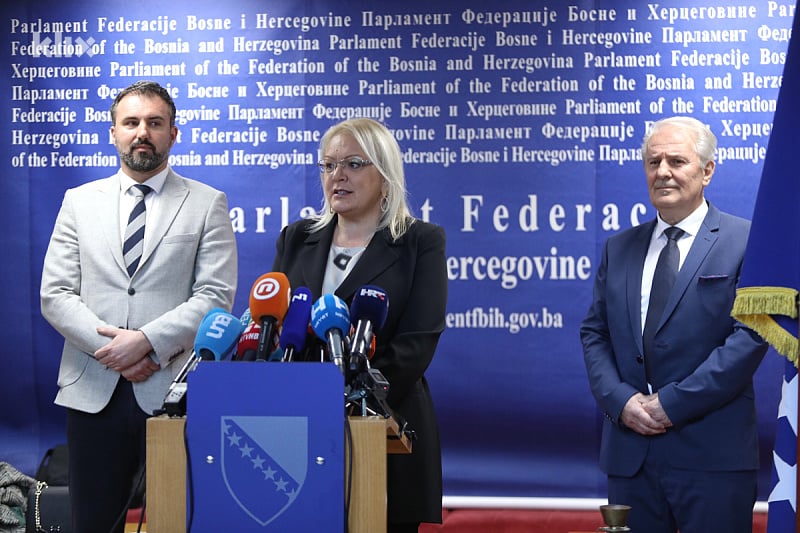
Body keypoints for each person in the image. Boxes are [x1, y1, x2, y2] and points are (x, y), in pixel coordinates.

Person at [40, 80, 238, 533]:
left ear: (174, 133)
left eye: (154, 122)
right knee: (93, 523)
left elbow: (214, 296)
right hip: (93, 391)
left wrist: (147, 342)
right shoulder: (78, 203)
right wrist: (115, 350)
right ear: (113, 133)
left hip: (176, 391)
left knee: (180, 521)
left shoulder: (207, 204)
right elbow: (56, 293)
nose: (142, 132)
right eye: (131, 122)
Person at [580, 116, 768, 533]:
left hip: (712, 455)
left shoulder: (744, 241)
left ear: (707, 170)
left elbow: (750, 338)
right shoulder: (620, 247)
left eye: (676, 161)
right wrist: (621, 401)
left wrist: (673, 404)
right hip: (631, 457)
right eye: (653, 161)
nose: (662, 171)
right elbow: (595, 333)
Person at [271, 117, 447, 532]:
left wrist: (344, 399)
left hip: (384, 427)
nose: (338, 176)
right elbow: (276, 330)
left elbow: (416, 344)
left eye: (353, 164)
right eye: (329, 165)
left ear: (385, 177)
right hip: (298, 432)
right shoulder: (296, 238)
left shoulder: (420, 242)